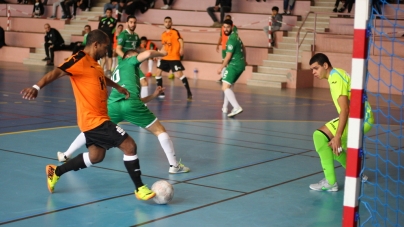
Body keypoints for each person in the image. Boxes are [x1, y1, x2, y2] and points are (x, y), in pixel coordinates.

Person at [21, 29, 156, 201]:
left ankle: (56, 171)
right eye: (105, 47)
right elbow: (56, 72)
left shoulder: (95, 63)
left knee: (96, 156)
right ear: (96, 44)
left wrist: (117, 87)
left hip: (98, 118)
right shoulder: (79, 59)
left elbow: (101, 78)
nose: (107, 51)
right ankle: (140, 188)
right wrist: (36, 87)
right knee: (129, 146)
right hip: (94, 120)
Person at [57, 48, 191, 174]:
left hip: (114, 105)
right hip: (130, 104)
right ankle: (174, 166)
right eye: (136, 56)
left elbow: (137, 99)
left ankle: (66, 154)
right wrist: (162, 53)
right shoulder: (129, 61)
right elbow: (149, 53)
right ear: (127, 57)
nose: (139, 60)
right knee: (160, 131)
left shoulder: (123, 70)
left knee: (93, 128)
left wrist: (154, 96)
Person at [308, 53, 374, 191]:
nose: (313, 72)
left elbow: (345, 108)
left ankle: (331, 183)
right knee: (333, 147)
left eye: (316, 68)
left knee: (319, 136)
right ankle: (357, 174)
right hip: (362, 117)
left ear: (325, 65)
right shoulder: (338, 73)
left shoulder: (335, 78)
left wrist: (337, 135)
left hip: (360, 118)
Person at [155, 17, 193, 100]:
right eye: (166, 22)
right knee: (158, 72)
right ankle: (160, 91)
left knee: (179, 74)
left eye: (169, 22)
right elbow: (164, 46)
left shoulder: (175, 32)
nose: (167, 23)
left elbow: (180, 40)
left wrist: (182, 48)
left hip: (174, 57)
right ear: (163, 23)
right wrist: (159, 54)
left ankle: (189, 92)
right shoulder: (163, 34)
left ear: (171, 23)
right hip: (165, 57)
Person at [116, 16, 151, 100]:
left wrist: (151, 53)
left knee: (143, 83)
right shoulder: (123, 35)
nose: (133, 24)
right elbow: (118, 49)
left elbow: (139, 48)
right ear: (127, 23)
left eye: (134, 22)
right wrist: (127, 59)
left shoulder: (136, 36)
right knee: (131, 85)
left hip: (133, 64)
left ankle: (143, 106)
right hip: (125, 64)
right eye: (131, 22)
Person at [217, 19, 245, 117]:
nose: (226, 29)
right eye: (224, 27)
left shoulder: (231, 40)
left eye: (228, 27)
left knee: (225, 87)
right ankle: (227, 107)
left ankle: (236, 107)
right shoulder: (236, 36)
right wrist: (244, 60)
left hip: (234, 65)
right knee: (227, 86)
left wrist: (221, 67)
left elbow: (228, 57)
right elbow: (243, 47)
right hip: (240, 64)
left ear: (232, 27)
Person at [216, 14, 237, 83]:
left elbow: (235, 37)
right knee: (223, 62)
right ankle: (223, 77)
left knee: (229, 62)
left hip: (230, 47)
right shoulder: (223, 28)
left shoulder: (234, 28)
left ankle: (230, 77)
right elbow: (221, 36)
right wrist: (218, 44)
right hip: (224, 47)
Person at [98, 8, 117, 77]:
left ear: (111, 13)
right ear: (105, 12)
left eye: (110, 12)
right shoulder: (102, 19)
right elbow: (99, 29)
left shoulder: (114, 20)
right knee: (103, 55)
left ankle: (109, 70)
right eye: (107, 12)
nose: (108, 13)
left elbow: (110, 30)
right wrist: (106, 27)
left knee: (109, 55)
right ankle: (101, 69)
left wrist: (104, 27)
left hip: (109, 39)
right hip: (102, 39)